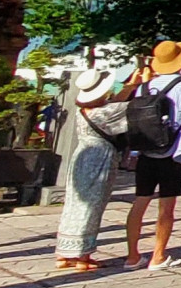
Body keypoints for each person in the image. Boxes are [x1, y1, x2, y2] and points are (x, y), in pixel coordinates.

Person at [125, 41, 181, 270]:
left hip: (145, 150)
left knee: (140, 201)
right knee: (166, 206)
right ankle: (158, 256)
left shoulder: (143, 87)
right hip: (174, 153)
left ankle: (132, 256)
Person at [53, 64, 138, 272]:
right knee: (92, 205)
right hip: (100, 157)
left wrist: (131, 84)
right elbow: (129, 108)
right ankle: (83, 256)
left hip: (81, 155)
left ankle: (64, 253)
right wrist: (137, 87)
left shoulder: (85, 111)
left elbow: (114, 103)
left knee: (75, 204)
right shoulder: (104, 112)